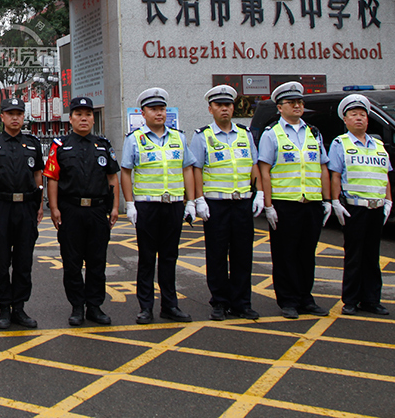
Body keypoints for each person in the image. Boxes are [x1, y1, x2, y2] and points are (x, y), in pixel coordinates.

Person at [256, 81, 333, 319]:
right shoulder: (272, 134)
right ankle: (288, 300)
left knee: (307, 253)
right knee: (285, 254)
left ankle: (305, 298)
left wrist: (328, 200)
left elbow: (322, 167)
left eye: (300, 102)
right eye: (292, 103)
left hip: (311, 202)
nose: (298, 106)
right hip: (284, 203)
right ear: (280, 107)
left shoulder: (313, 132)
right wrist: (268, 205)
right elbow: (264, 170)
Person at [120, 88, 195, 325]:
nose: (159, 113)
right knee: (147, 259)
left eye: (162, 109)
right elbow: (125, 172)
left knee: (170, 257)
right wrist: (129, 204)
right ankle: (145, 307)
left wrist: (191, 200)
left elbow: (187, 169)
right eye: (153, 109)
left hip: (172, 205)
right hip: (147, 207)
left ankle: (170, 305)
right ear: (143, 113)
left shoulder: (178, 137)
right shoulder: (134, 139)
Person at [186, 85, 260, 321]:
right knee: (216, 255)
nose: (224, 109)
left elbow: (254, 165)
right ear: (211, 109)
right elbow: (196, 169)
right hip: (215, 204)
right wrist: (198, 200)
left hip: (242, 203)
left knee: (242, 254)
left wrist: (258, 193)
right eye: (219, 105)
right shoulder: (202, 135)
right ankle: (219, 301)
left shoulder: (245, 134)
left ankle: (242, 302)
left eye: (228, 105)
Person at [45, 95, 119, 327]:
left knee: (98, 261)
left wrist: (115, 207)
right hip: (71, 211)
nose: (83, 119)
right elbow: (53, 179)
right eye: (78, 114)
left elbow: (112, 177)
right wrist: (54, 207)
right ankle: (77, 306)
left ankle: (95, 306)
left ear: (92, 118)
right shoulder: (59, 146)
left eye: (87, 114)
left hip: (98, 210)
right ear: (71, 118)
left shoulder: (103, 145)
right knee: (72, 261)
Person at [0, 97, 43, 330]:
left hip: (26, 207)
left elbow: (38, 177)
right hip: (1, 207)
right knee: (2, 260)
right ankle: (3, 308)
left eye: (19, 114)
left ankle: (20, 308)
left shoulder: (33, 144)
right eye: (10, 113)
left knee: (24, 261)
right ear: (2, 116)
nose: (15, 118)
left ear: (23, 117)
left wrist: (40, 205)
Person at [327, 94, 392, 316]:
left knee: (372, 256)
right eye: (353, 115)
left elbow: (385, 175)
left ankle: (372, 299)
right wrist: (335, 201)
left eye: (362, 115)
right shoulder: (340, 143)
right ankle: (351, 300)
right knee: (354, 255)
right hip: (354, 207)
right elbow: (336, 174)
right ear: (345, 120)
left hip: (376, 207)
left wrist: (388, 200)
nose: (359, 119)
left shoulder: (379, 145)